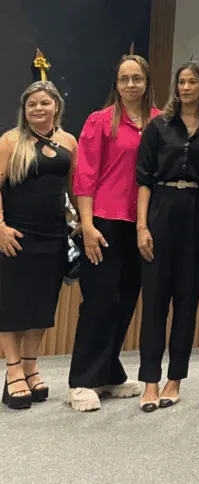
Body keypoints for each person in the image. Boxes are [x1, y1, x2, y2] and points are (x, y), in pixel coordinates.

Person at [67, 55, 160, 412]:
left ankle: (107, 372)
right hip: (103, 221)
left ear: (147, 81)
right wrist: (87, 225)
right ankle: (81, 380)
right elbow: (85, 177)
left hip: (140, 224)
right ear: (116, 84)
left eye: (137, 78)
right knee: (100, 300)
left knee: (124, 300)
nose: (131, 85)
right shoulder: (100, 121)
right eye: (124, 79)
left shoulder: (159, 121)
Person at [136, 61, 199, 412]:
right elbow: (143, 180)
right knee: (154, 302)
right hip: (161, 213)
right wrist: (142, 227)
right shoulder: (157, 126)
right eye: (181, 82)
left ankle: (175, 379)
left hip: (197, 215)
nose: (185, 87)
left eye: (192, 82)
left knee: (187, 301)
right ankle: (150, 381)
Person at [0, 81, 77, 410]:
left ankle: (31, 364)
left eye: (43, 103)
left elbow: (74, 189)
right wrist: (0, 227)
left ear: (56, 106)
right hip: (16, 237)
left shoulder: (69, 142)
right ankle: (13, 370)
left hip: (54, 237)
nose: (37, 109)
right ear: (24, 109)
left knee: (43, 307)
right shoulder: (10, 141)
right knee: (13, 305)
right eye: (31, 104)